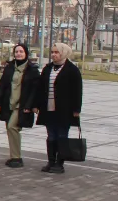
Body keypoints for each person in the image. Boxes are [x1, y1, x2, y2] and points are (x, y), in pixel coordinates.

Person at [34, 43, 82, 174]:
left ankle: (59, 163)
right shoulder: (48, 68)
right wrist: (36, 105)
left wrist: (76, 109)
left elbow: (77, 91)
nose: (54, 55)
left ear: (64, 53)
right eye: (52, 52)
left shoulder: (72, 70)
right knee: (51, 136)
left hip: (64, 110)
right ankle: (51, 161)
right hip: (48, 109)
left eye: (57, 52)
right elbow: (40, 88)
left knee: (61, 136)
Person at [0, 43, 39, 168]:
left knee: (12, 127)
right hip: (9, 102)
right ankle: (13, 156)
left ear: (26, 53)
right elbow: (2, 85)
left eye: (21, 51)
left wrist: (30, 106)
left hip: (22, 104)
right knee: (10, 129)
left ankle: (17, 157)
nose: (18, 54)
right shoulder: (9, 67)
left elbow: (35, 90)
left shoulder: (32, 70)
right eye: (16, 51)